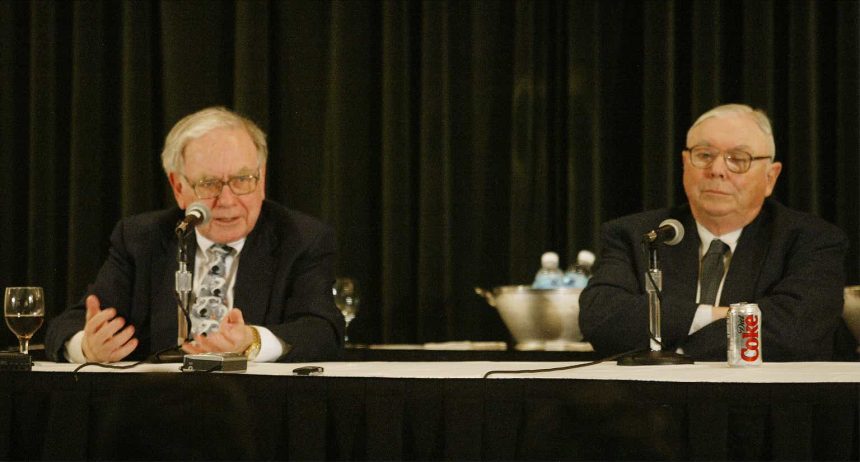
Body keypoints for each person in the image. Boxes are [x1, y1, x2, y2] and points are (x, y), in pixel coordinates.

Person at [45, 106, 344, 363]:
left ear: (262, 178)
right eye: (209, 184)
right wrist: (87, 346)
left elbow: (323, 331)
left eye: (242, 179)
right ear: (178, 187)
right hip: (154, 401)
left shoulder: (301, 238)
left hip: (256, 404)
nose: (227, 200)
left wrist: (252, 341)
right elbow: (68, 325)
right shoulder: (141, 239)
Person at [579, 104, 848, 361]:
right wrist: (715, 316)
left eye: (738, 159)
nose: (717, 170)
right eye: (704, 155)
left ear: (770, 177)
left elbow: (795, 330)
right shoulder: (637, 234)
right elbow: (601, 317)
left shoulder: (812, 240)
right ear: (685, 163)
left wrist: (678, 348)